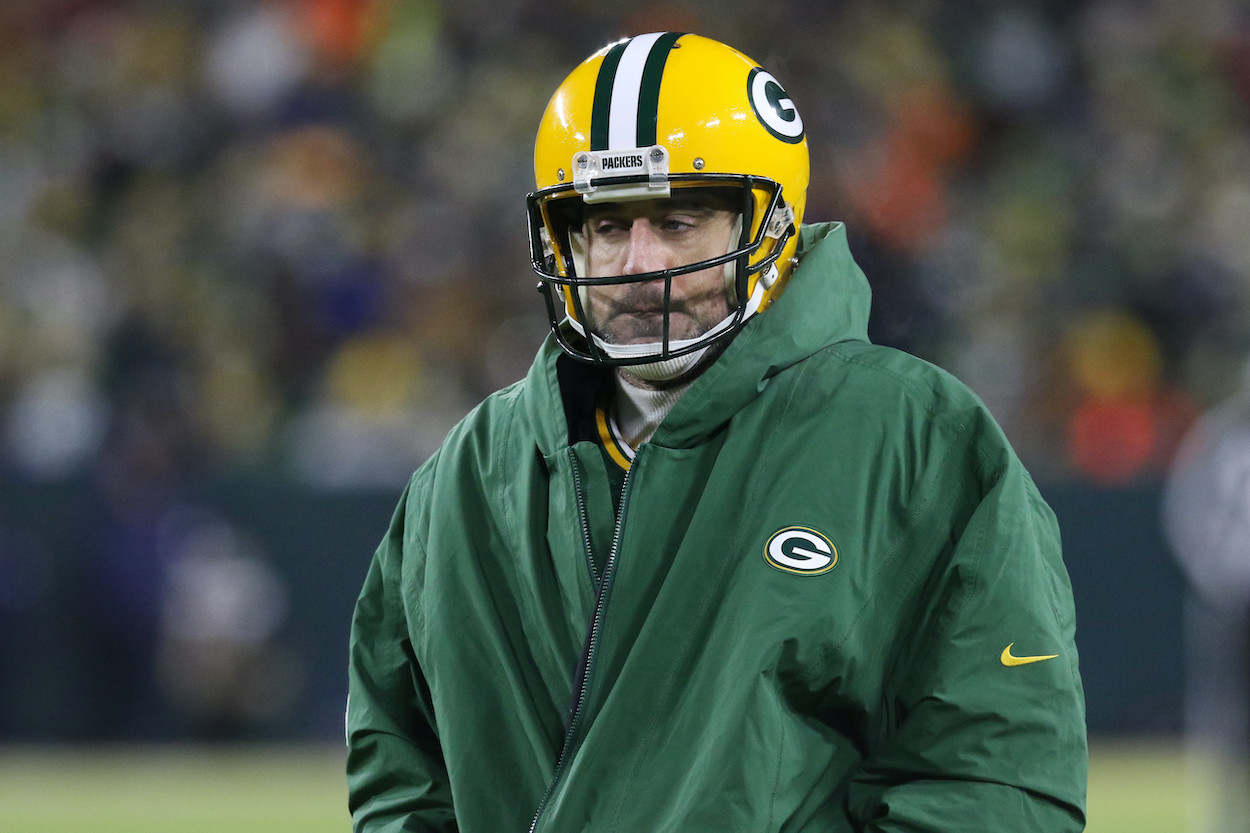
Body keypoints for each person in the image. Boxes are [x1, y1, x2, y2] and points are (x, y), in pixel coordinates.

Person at [346, 32, 1087, 832]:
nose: (635, 261)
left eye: (678, 221)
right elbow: (403, 772)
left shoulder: (916, 441)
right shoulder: (465, 475)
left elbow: (995, 775)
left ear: (765, 227)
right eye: (605, 225)